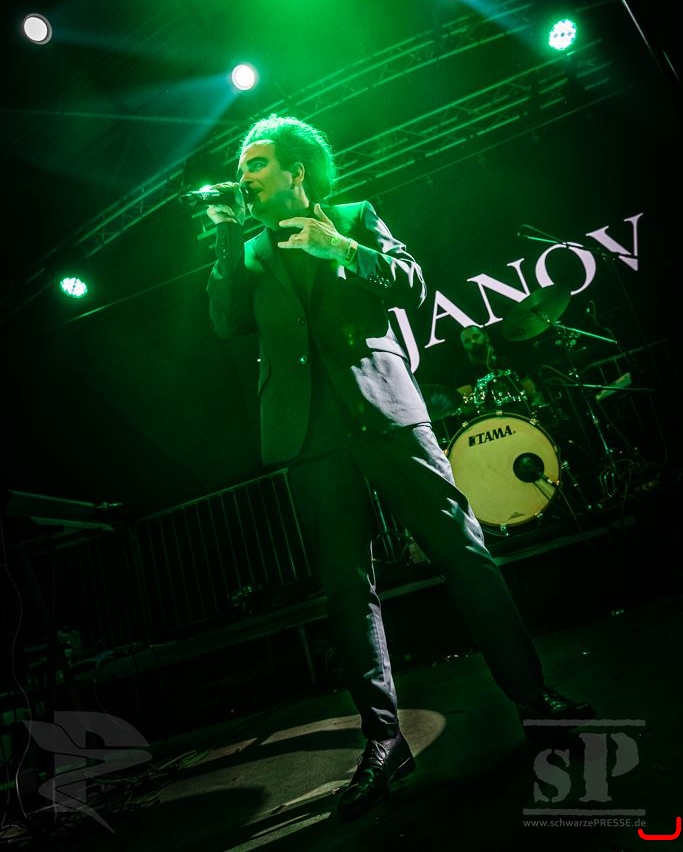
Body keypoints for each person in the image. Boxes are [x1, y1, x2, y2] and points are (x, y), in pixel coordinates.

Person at [204, 114, 595, 823]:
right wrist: (228, 239)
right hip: (308, 434)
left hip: (384, 410)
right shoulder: (247, 250)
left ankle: (534, 700)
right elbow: (226, 320)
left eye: (256, 164)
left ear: (296, 169)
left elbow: (412, 286)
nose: (244, 177)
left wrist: (342, 248)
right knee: (345, 590)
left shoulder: (355, 216)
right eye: (241, 168)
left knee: (463, 551)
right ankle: (384, 742)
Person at [457, 323, 547, 418]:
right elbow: (467, 410)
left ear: (486, 337)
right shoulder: (463, 374)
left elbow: (533, 392)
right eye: (467, 341)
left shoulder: (508, 363)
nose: (473, 341)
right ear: (464, 347)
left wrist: (537, 402)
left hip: (522, 417)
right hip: (490, 423)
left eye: (476, 336)